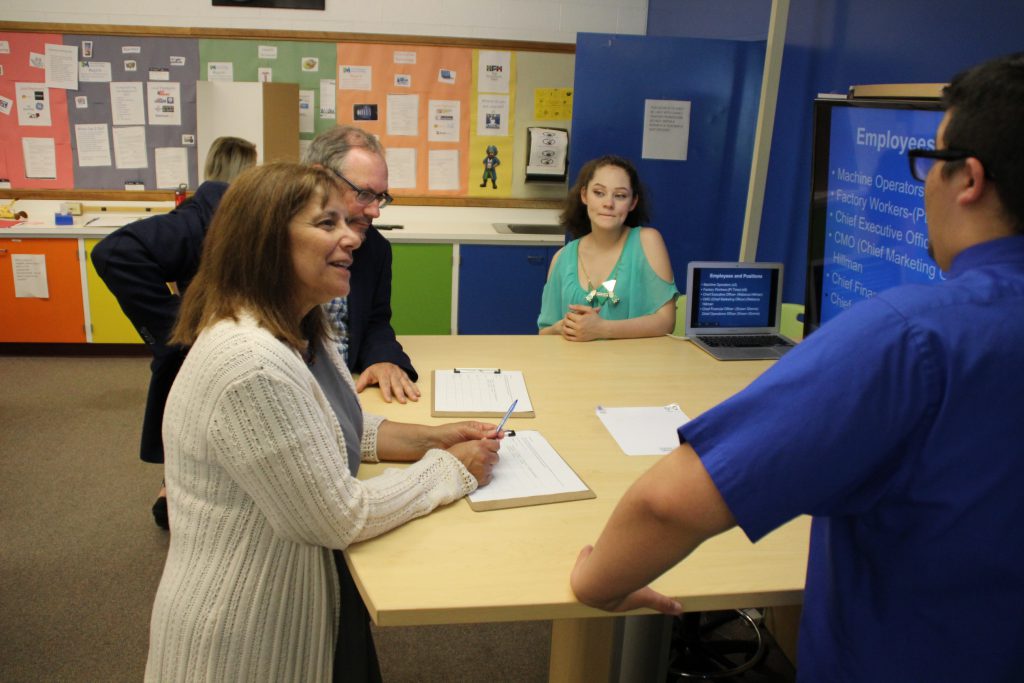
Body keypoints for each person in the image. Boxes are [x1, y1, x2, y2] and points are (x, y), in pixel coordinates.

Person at [569, 52, 1024, 681]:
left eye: (931, 162)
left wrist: (598, 582)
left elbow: (670, 503)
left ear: (967, 179)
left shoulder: (908, 336)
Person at [145, 161, 501, 682]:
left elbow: (330, 426)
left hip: (307, 596)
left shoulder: (302, 328)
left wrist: (435, 438)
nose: (352, 238)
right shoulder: (250, 364)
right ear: (265, 242)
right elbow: (337, 517)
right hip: (241, 635)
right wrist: (451, 469)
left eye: (349, 224)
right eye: (327, 224)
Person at [91, 125, 416, 530]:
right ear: (320, 176)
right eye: (364, 194)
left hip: (330, 393)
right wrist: (189, 335)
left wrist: (385, 358)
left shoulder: (366, 255)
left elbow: (374, 321)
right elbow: (118, 254)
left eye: (381, 197)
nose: (374, 211)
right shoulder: (231, 219)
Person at [91, 136, 257, 529]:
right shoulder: (205, 217)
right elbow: (113, 252)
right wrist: (175, 325)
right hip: (208, 343)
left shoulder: (221, 213)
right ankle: (177, 491)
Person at [537, 155, 678, 341]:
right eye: (599, 193)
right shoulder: (561, 258)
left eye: (620, 196)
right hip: (574, 367)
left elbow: (666, 321)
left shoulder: (648, 241)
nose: (608, 204)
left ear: (633, 203)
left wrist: (602, 329)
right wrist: (561, 327)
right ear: (584, 195)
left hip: (634, 367)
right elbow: (544, 333)